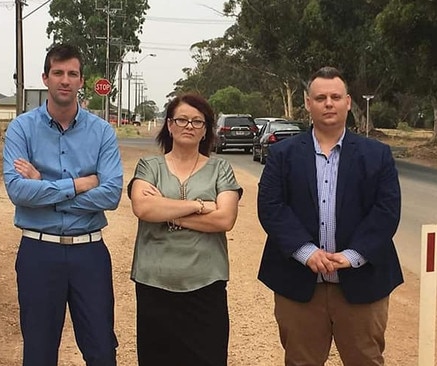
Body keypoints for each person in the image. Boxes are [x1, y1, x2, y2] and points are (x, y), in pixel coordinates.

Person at [257, 66, 404, 365]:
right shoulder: (282, 155)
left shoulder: (377, 155)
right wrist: (306, 252)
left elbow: (386, 211)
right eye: (320, 97)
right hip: (298, 284)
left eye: (335, 97)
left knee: (365, 360)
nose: (328, 103)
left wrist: (353, 255)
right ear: (308, 103)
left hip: (362, 283)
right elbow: (271, 207)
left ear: (348, 102)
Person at [2, 43, 123, 365]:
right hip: (38, 254)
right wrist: (78, 184)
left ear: (82, 81)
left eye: (72, 73)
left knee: (101, 350)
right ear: (46, 78)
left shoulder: (102, 132)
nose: (65, 80)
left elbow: (111, 195)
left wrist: (43, 186)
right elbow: (18, 192)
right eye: (58, 73)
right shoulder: (21, 129)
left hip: (90, 253)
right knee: (39, 352)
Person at [128, 93, 242, 366]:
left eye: (197, 121)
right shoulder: (149, 166)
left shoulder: (220, 169)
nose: (189, 126)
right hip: (154, 282)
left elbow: (225, 219)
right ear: (169, 125)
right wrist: (200, 205)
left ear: (206, 130)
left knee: (207, 358)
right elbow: (143, 209)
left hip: (206, 284)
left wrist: (168, 213)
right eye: (181, 120)